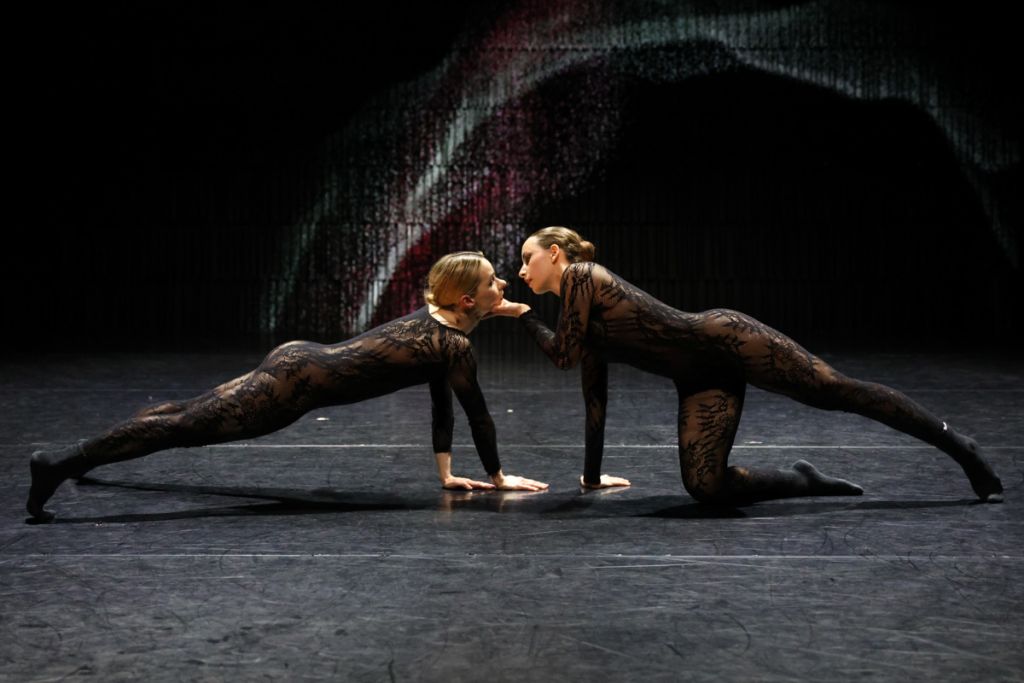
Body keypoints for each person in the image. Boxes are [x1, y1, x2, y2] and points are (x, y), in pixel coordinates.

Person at [494, 226, 1003, 504]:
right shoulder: (580, 318)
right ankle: (802, 480)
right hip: (699, 381)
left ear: (554, 254)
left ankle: (958, 444)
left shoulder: (583, 275)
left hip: (726, 340)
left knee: (835, 391)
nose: (520, 271)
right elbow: (593, 394)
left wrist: (521, 316)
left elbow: (562, 355)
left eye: (526, 259)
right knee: (705, 487)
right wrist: (591, 477)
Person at [28, 252, 548, 522]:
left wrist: (447, 474)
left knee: (182, 412)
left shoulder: (438, 324)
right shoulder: (453, 345)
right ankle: (59, 462)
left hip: (297, 358)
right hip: (292, 388)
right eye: (493, 283)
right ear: (466, 300)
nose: (503, 285)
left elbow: (442, 402)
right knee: (183, 428)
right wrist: (498, 477)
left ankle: (84, 457)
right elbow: (477, 415)